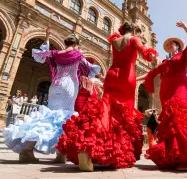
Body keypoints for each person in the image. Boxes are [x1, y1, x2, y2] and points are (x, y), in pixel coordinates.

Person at [57, 22, 158, 171]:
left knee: (105, 110)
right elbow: (145, 52)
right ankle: (114, 150)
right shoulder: (134, 39)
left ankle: (87, 146)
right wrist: (152, 55)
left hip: (112, 75)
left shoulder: (115, 40)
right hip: (126, 77)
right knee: (124, 115)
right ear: (135, 31)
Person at [3, 26, 100, 163]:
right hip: (69, 87)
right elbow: (90, 69)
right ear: (76, 44)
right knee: (65, 118)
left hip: (55, 86)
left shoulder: (56, 54)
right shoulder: (78, 55)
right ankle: (61, 154)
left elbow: (41, 55)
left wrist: (47, 37)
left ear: (65, 43)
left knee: (49, 116)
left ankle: (28, 150)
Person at [138, 21, 187, 170]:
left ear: (178, 46)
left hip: (179, 90)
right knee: (170, 124)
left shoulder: (184, 54)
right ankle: (175, 156)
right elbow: (151, 74)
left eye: (172, 45)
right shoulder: (166, 62)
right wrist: (133, 79)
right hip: (165, 93)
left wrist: (185, 26)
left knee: (178, 120)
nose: (169, 47)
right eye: (168, 46)